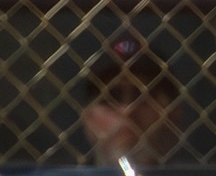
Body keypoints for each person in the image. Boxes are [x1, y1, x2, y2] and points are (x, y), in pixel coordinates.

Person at [79, 34, 188, 169]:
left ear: (174, 113)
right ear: (87, 118)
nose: (127, 110)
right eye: (111, 98)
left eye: (143, 96)